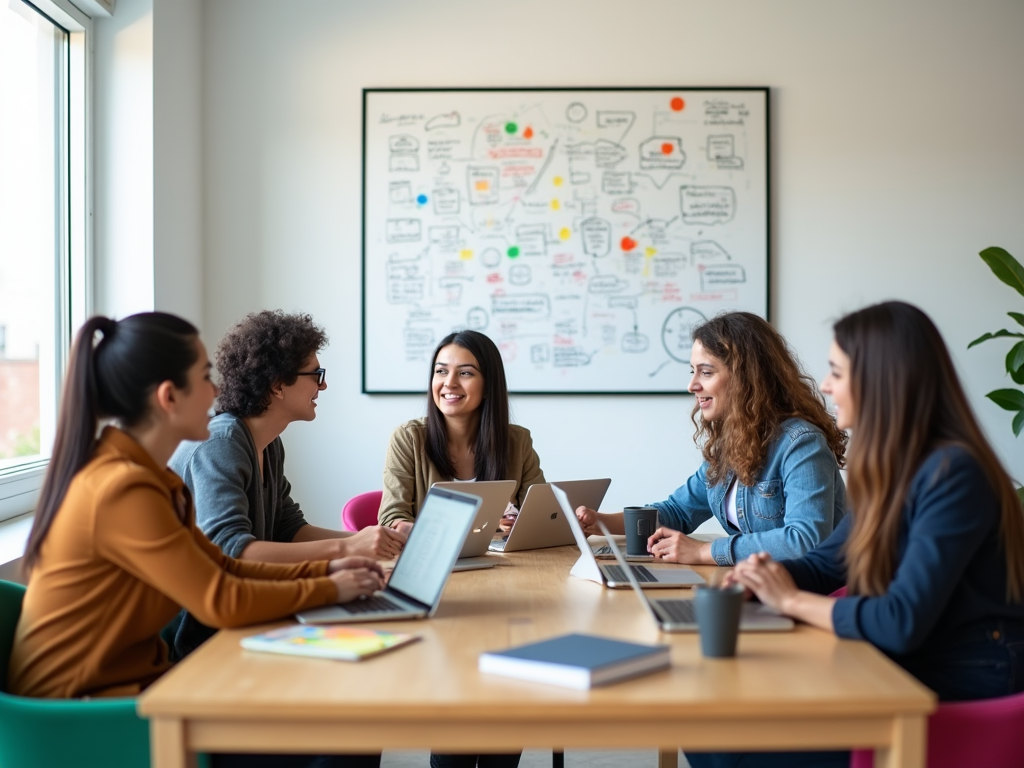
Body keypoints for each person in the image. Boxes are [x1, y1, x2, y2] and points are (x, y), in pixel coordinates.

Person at [8, 313, 383, 768]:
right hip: (90, 720)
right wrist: (330, 583)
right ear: (169, 397)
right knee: (348, 734)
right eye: (205, 377)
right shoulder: (122, 488)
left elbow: (222, 566)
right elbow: (219, 598)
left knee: (351, 722)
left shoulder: (149, 478)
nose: (217, 391)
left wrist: (330, 570)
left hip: (138, 694)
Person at [712, 301, 1024, 768]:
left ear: (882, 380)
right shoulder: (897, 470)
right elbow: (825, 563)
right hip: (910, 662)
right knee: (720, 731)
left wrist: (790, 601)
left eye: (836, 371)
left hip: (966, 679)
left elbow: (900, 620)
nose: (824, 385)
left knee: (731, 746)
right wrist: (764, 577)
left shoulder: (954, 474)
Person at [168, 311, 405, 657]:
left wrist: (379, 541)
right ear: (278, 385)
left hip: (242, 615)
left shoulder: (267, 443)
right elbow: (231, 550)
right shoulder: (221, 445)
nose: (322, 385)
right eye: (315, 375)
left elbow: (289, 527)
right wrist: (347, 549)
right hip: (198, 637)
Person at [378, 330, 543, 768]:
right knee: (455, 718)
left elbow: (543, 514)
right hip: (438, 587)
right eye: (440, 371)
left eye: (465, 373)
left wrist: (516, 521)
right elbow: (391, 517)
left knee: (507, 701)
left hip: (506, 586)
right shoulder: (409, 438)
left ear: (489, 384)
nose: (449, 383)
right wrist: (422, 526)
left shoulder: (516, 441)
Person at [576, 312, 847, 566]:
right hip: (760, 587)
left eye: (706, 372)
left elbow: (805, 541)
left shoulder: (801, 444)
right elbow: (677, 512)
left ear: (746, 378)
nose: (692, 385)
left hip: (808, 595)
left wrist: (703, 551)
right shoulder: (732, 445)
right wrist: (599, 521)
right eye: (692, 371)